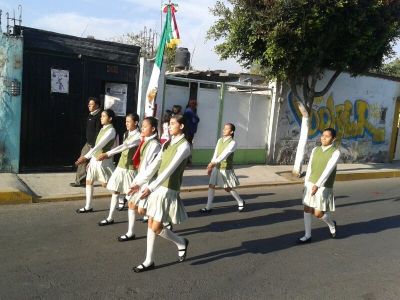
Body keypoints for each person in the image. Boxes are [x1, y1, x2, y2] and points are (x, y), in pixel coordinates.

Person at [130, 114, 190, 272]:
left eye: (172, 124)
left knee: (156, 227)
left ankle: (180, 242)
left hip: (168, 190)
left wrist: (150, 188)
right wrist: (139, 183)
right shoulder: (167, 144)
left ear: (181, 126)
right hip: (157, 188)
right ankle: (149, 260)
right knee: (150, 224)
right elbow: (155, 166)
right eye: (168, 124)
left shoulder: (184, 146)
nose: (169, 127)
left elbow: (169, 170)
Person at [118, 117, 161, 242]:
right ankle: (130, 232)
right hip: (141, 178)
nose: (142, 129)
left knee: (142, 211)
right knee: (132, 203)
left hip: (149, 181)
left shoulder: (154, 145)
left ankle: (163, 219)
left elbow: (148, 168)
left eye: (145, 127)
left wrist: (137, 182)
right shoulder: (145, 141)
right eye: (142, 126)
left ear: (153, 129)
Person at [297, 127, 340, 244]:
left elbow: (328, 170)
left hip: (324, 186)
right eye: (322, 135)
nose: (323, 138)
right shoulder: (315, 149)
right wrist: (306, 183)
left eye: (327, 136)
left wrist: (317, 185)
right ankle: (307, 235)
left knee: (318, 213)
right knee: (307, 209)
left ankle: (332, 225)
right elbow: (310, 167)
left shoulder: (335, 152)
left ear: (333, 138)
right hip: (311, 182)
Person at [97, 114, 141, 226]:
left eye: (128, 121)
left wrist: (107, 154)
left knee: (134, 197)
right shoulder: (126, 133)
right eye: (125, 121)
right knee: (115, 191)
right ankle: (110, 217)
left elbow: (124, 147)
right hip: (121, 167)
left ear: (136, 123)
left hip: (130, 170)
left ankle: (148, 216)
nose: (126, 123)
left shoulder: (138, 136)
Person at [75, 109, 116, 213]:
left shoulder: (111, 131)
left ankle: (121, 198)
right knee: (89, 181)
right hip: (95, 160)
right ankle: (88, 206)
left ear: (110, 118)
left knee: (106, 185)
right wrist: (91, 161)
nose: (101, 118)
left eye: (103, 116)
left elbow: (99, 146)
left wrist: (86, 157)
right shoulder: (103, 129)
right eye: (101, 116)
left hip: (103, 162)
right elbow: (96, 147)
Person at [200, 123, 245, 213]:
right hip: (216, 167)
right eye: (224, 128)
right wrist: (211, 163)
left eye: (226, 129)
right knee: (211, 185)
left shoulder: (233, 143)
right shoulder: (220, 140)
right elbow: (216, 153)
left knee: (227, 188)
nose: (224, 130)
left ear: (231, 131)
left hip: (225, 169)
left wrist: (213, 163)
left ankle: (240, 201)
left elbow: (224, 154)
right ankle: (208, 207)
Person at [70, 97, 101, 187]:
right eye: (89, 104)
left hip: (93, 144)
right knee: (83, 161)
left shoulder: (99, 117)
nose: (89, 106)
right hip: (88, 143)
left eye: (91, 104)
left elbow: (98, 132)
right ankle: (81, 180)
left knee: (84, 161)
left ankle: (81, 181)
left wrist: (94, 145)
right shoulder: (91, 115)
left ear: (97, 105)